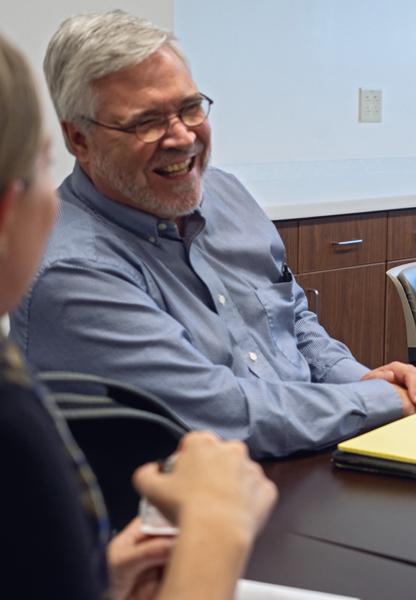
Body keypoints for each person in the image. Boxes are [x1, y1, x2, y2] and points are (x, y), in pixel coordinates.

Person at [10, 10, 416, 459]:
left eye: (190, 108)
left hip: (313, 450)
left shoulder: (225, 193)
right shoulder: (73, 270)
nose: (181, 137)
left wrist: (363, 380)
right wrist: (386, 402)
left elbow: (292, 318)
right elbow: (221, 414)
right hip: (188, 506)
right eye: (147, 122)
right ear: (79, 139)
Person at [0, 31, 276, 599]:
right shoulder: (11, 420)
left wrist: (101, 579)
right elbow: (222, 410)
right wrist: (214, 532)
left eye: (190, 108)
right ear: (11, 206)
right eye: (44, 163)